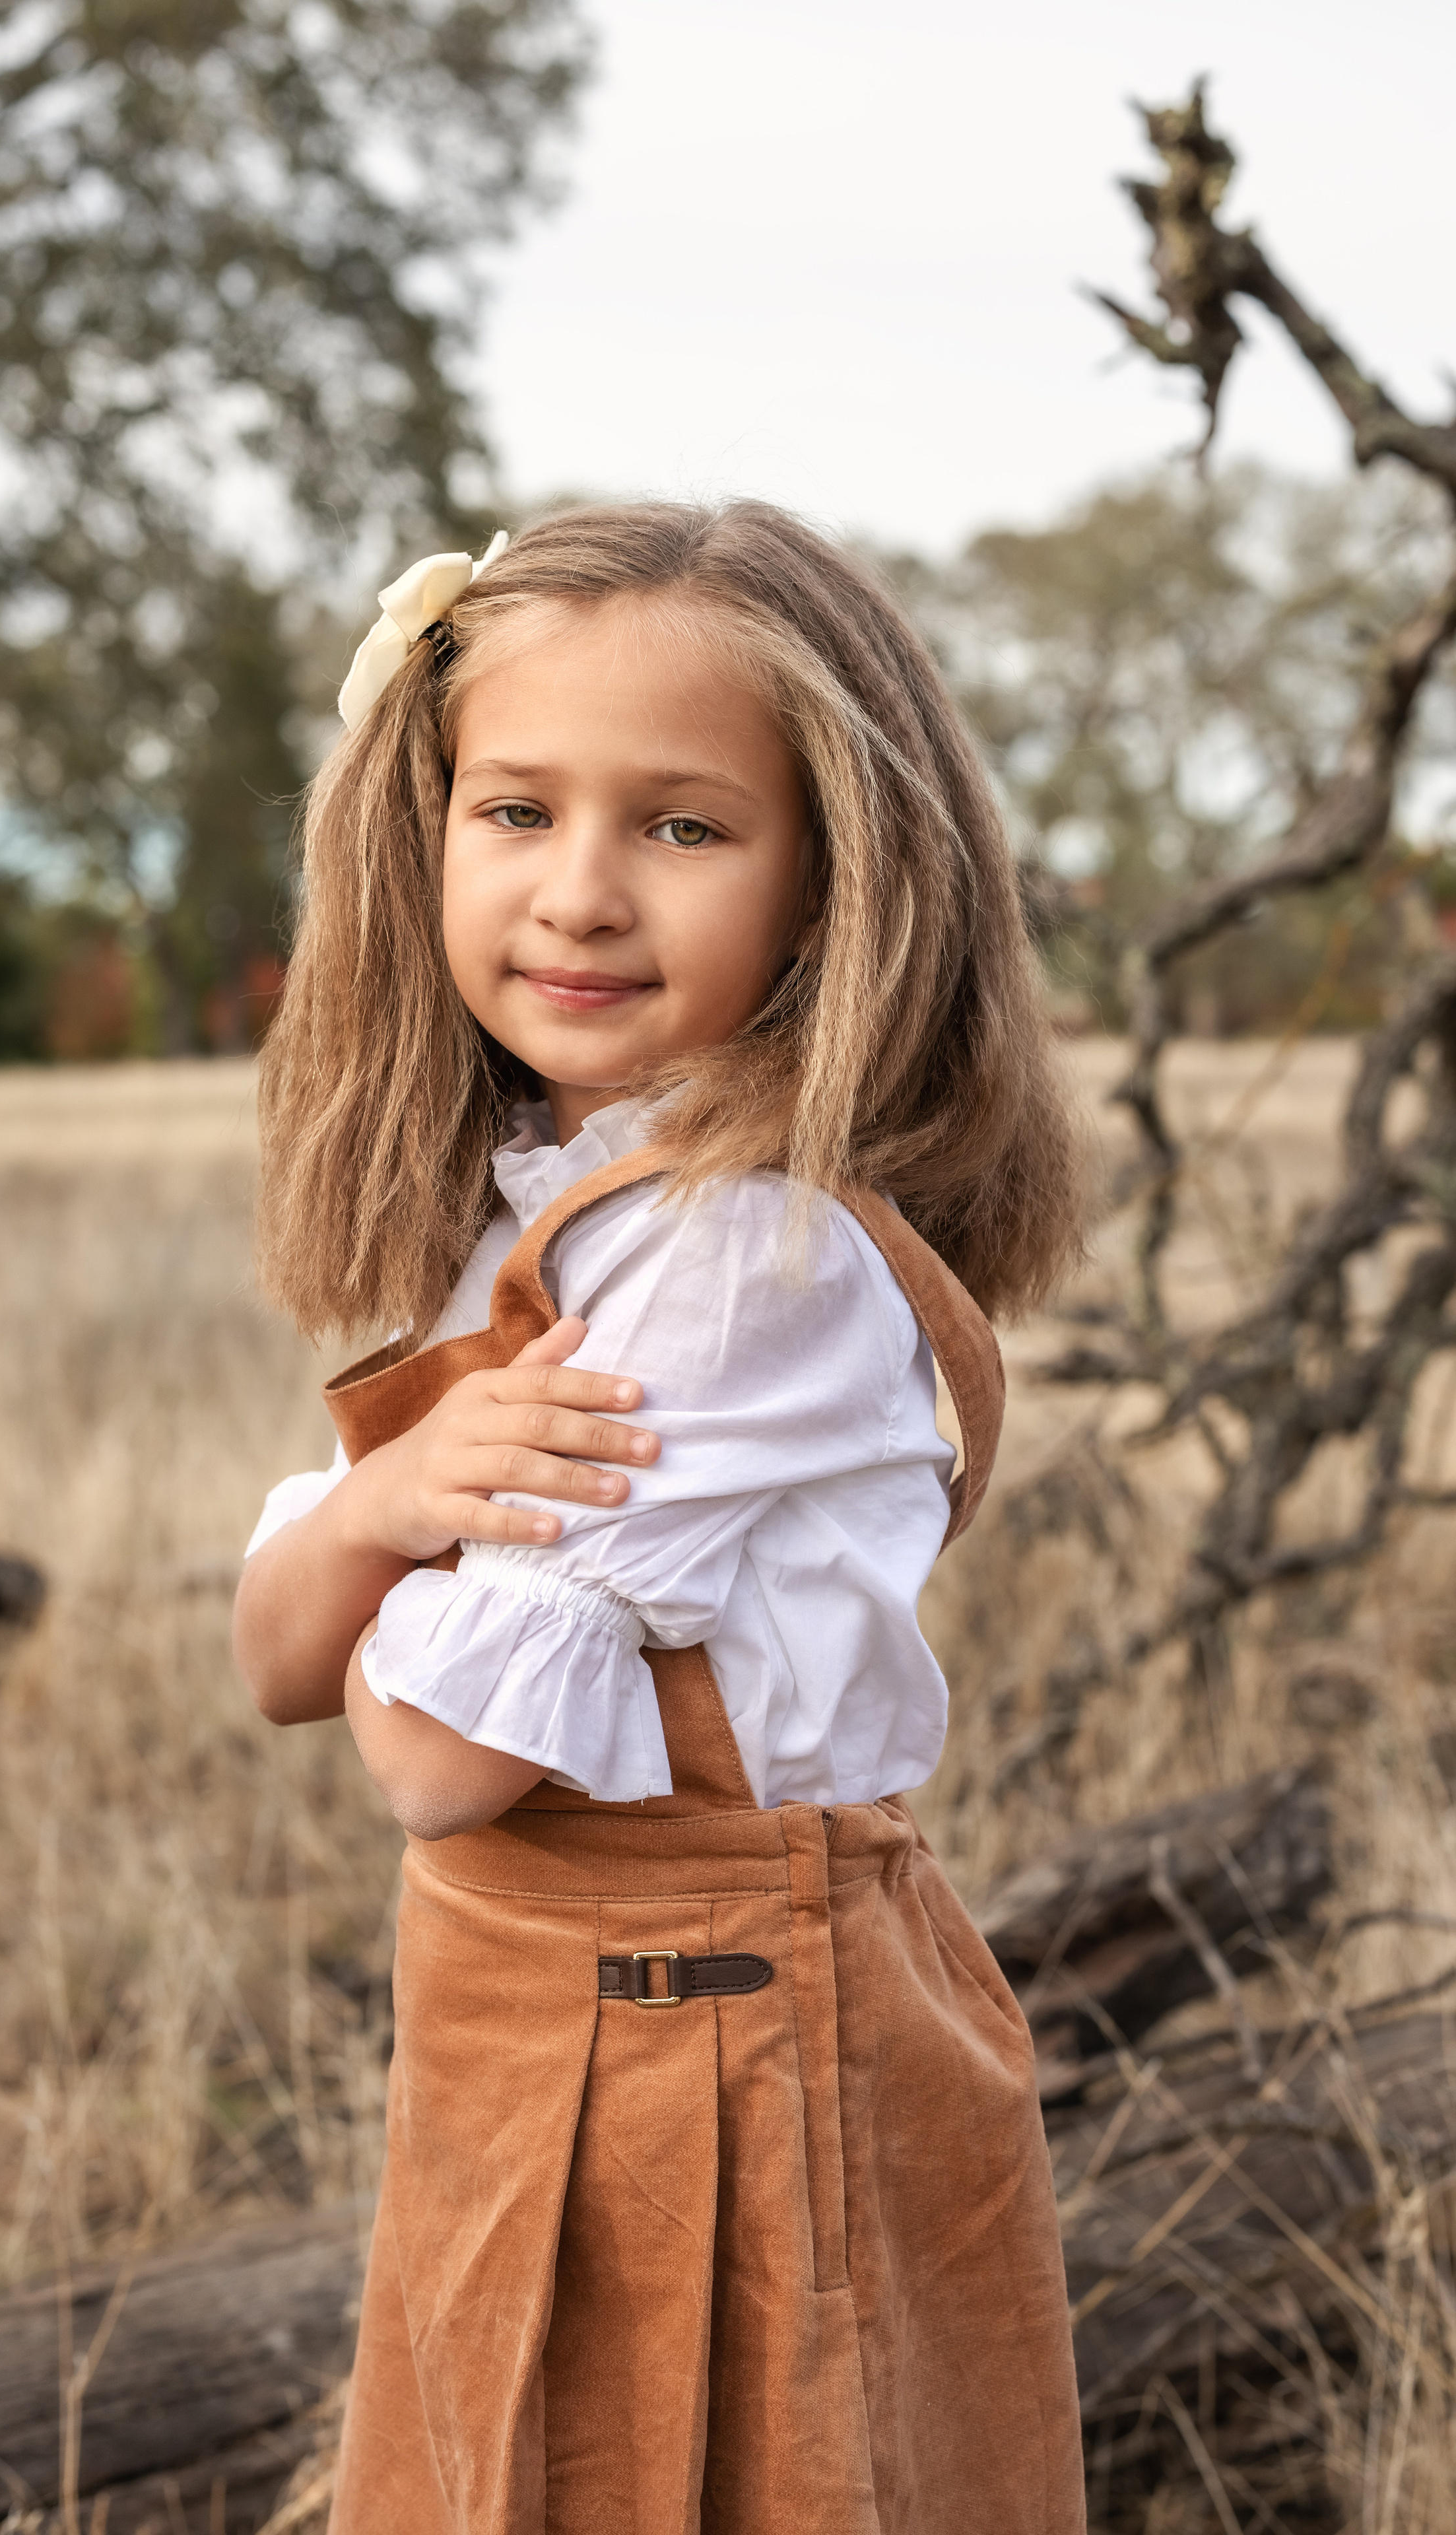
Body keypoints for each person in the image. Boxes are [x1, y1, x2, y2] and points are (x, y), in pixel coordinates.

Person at [234, 502, 1088, 2534]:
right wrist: (390, 1521)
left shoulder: (742, 1263)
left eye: (685, 828)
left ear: (829, 887)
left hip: (712, 2064)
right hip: (533, 2049)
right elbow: (275, 1664)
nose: (582, 895)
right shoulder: (544, 1210)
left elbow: (439, 1762)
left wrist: (360, 1533)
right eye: (516, 809)